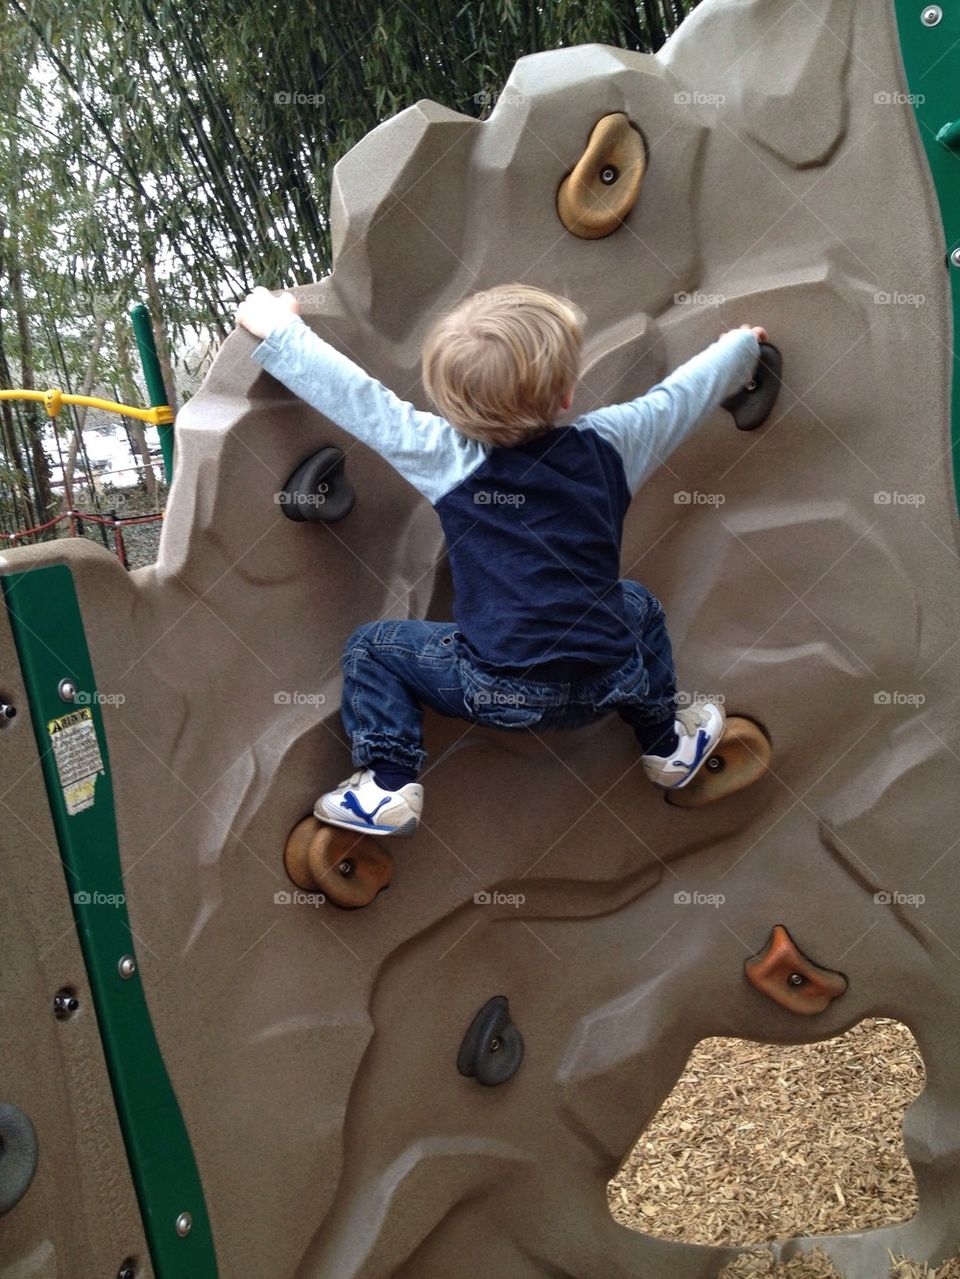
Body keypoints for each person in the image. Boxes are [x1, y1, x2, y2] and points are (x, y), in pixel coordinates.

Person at [236, 283, 766, 836]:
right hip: (611, 678)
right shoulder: (612, 445)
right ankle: (665, 743)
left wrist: (281, 331)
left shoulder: (447, 457)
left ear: (448, 403)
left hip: (498, 692)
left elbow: (359, 400)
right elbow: (680, 397)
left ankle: (387, 784)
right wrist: (740, 350)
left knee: (372, 648)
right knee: (637, 605)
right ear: (564, 394)